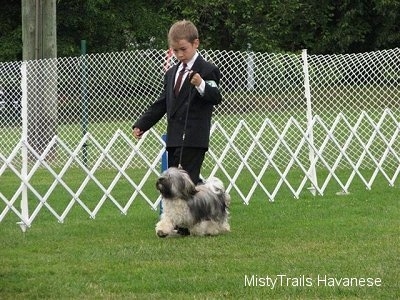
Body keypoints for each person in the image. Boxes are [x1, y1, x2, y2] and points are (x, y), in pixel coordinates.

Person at [132, 20, 222, 185]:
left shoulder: (208, 70)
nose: (179, 54)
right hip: (173, 139)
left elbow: (216, 97)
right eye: (175, 50)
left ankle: (205, 205)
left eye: (183, 49)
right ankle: (206, 204)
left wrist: (200, 84)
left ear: (196, 43)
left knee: (186, 186)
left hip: (194, 138)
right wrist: (142, 124)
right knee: (175, 186)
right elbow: (163, 103)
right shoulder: (171, 73)